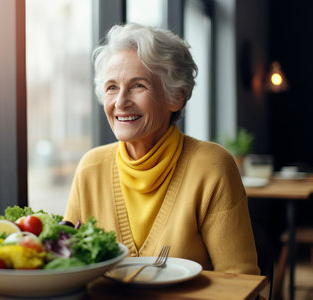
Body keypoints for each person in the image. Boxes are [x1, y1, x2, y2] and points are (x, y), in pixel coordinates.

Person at [64, 23, 260, 275]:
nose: (121, 102)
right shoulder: (91, 168)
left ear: (176, 96)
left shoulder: (211, 166)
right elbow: (70, 268)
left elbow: (240, 282)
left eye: (138, 86)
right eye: (112, 87)